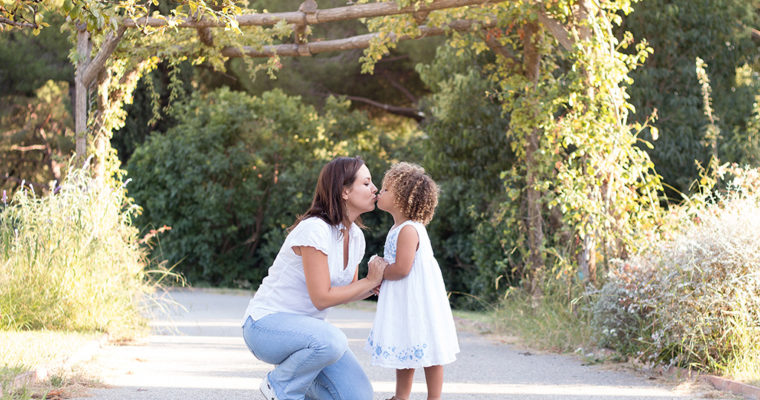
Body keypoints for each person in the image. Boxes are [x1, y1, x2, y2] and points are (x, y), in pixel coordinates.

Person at [241, 156, 387, 400]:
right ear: (344, 192)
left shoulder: (356, 237)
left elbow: (349, 291)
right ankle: (280, 386)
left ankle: (297, 386)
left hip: (311, 336)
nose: (375, 189)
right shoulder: (315, 229)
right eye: (367, 183)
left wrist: (376, 285)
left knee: (358, 396)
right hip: (264, 327)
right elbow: (322, 298)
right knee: (333, 341)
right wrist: (370, 281)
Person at [366, 162, 459, 400]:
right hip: (404, 299)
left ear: (401, 199)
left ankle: (434, 397)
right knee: (405, 348)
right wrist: (381, 277)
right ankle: (401, 396)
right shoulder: (398, 228)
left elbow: (402, 269)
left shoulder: (409, 230)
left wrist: (379, 270)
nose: (379, 192)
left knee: (430, 349)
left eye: (385, 190)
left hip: (417, 302)